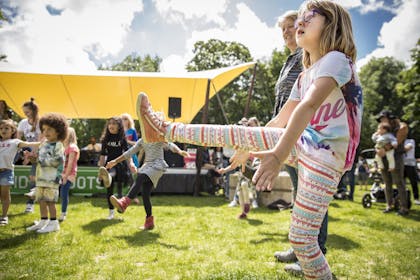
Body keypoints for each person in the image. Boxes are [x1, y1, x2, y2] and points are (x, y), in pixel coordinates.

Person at [135, 1, 362, 277]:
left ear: (331, 25)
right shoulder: (304, 76)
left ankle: (165, 130)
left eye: (309, 17)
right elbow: (279, 121)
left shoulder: (336, 59)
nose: (299, 22)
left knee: (303, 239)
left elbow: (308, 107)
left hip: (326, 157)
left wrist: (277, 155)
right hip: (306, 144)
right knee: (301, 238)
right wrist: (247, 148)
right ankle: (164, 130)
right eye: (299, 17)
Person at [268, 9, 328, 275]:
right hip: (286, 131)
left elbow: (307, 101)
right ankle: (299, 247)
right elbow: (285, 101)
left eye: (291, 26)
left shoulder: (309, 59)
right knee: (297, 190)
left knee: (311, 192)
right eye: (283, 29)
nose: (287, 32)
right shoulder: (290, 60)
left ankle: (316, 252)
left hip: (305, 133)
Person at [107, 138, 189, 230]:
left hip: (157, 166)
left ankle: (124, 202)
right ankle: (149, 222)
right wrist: (115, 161)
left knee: (140, 178)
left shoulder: (158, 137)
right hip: (147, 166)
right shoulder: (142, 141)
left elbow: (170, 145)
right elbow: (129, 152)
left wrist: (179, 151)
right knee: (145, 195)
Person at [26, 113, 68, 233]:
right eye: (44, 129)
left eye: (49, 129)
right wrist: (32, 158)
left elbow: (58, 161)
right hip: (41, 178)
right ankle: (43, 221)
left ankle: (54, 223)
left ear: (58, 131)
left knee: (50, 201)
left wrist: (40, 160)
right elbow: (38, 160)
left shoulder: (58, 145)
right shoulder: (43, 144)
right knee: (41, 200)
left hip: (51, 179)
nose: (46, 132)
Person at [0, 119, 40, 225]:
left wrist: (44, 142)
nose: (3, 130)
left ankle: (4, 217)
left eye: (6, 128)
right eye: (1, 128)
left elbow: (29, 144)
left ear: (13, 130)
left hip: (6, 172)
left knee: (4, 195)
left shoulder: (15, 142)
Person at [97, 116, 134, 220]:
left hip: (120, 166)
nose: (111, 126)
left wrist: (131, 164)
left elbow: (128, 153)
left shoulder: (122, 139)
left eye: (114, 124)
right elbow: (103, 156)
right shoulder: (105, 139)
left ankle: (120, 207)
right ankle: (111, 212)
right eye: (110, 124)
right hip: (109, 165)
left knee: (120, 190)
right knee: (109, 190)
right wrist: (100, 170)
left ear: (119, 126)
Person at [376, 110, 409, 216]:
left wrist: (383, 149)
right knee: (387, 183)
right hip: (383, 158)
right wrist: (378, 150)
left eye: (384, 119)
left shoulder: (401, 127)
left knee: (399, 182)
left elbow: (395, 143)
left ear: (390, 119)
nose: (382, 122)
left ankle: (404, 207)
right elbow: (378, 141)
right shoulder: (383, 130)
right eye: (381, 120)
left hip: (396, 157)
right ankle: (389, 205)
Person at [17, 98, 42, 214]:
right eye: (24, 112)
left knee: (36, 179)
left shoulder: (41, 122)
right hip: (30, 153)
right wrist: (23, 152)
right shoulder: (23, 123)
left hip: (41, 155)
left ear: (34, 110)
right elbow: (18, 140)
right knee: (33, 179)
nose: (25, 114)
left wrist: (33, 154)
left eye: (27, 111)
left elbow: (42, 141)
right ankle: (30, 204)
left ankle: (33, 205)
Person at [59, 127, 80, 222]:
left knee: (64, 193)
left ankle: (63, 213)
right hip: (62, 173)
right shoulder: (63, 147)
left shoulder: (73, 147)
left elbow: (70, 163)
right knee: (60, 193)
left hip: (69, 174)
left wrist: (65, 176)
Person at [403, 139, 419, 205]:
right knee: (402, 182)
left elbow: (407, 148)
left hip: (410, 165)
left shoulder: (411, 141)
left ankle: (416, 198)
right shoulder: (399, 141)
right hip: (401, 164)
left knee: (413, 182)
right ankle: (404, 198)